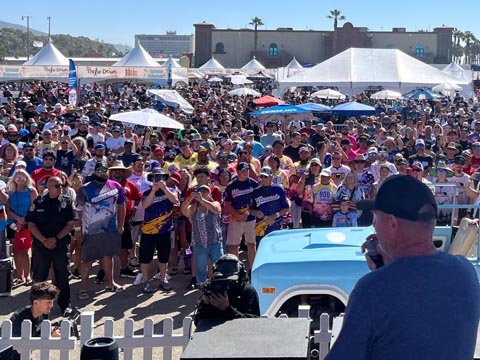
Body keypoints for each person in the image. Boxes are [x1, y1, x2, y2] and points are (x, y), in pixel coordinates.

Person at [325, 175, 480, 360]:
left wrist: (385, 274)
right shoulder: (465, 272)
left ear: (391, 223)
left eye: (375, 217)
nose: (374, 224)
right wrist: (390, 267)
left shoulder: (371, 290)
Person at [76, 160, 126, 299]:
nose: (102, 173)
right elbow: (78, 210)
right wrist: (78, 229)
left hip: (110, 229)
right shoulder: (84, 189)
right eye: (100, 170)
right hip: (90, 231)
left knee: (108, 256)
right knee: (87, 260)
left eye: (105, 170)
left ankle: (111, 284)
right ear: (94, 171)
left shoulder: (116, 186)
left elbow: (122, 206)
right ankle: (83, 288)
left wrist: (121, 225)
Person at [26, 176, 75, 315]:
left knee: (62, 276)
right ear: (49, 187)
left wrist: (55, 239)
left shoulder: (67, 202)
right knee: (39, 277)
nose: (60, 188)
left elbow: (70, 223)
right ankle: (36, 307)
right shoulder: (39, 202)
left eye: (61, 185)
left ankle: (65, 305)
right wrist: (43, 240)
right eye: (56, 186)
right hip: (41, 246)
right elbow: (31, 223)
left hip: (59, 245)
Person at [194, 254, 260, 330]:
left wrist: (227, 309)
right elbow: (198, 323)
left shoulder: (247, 291)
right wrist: (206, 305)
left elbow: (254, 323)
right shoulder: (214, 290)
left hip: (241, 336)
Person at [140, 168, 179, 293]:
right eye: (156, 177)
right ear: (151, 179)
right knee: (145, 257)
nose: (158, 179)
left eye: (161, 177)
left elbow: (175, 201)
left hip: (165, 230)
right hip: (148, 231)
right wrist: (154, 191)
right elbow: (145, 205)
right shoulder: (147, 193)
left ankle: (163, 279)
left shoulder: (171, 190)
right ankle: (145, 281)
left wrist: (165, 189)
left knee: (163, 257)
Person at [181, 184, 224, 287]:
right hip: (199, 244)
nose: (202, 194)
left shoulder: (215, 203)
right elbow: (183, 211)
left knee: (220, 267)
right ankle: (202, 288)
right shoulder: (193, 207)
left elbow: (216, 209)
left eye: (205, 192)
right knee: (201, 270)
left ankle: (221, 288)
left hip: (215, 243)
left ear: (210, 195)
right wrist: (189, 199)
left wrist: (202, 200)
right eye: (200, 192)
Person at [10, 282, 61, 359]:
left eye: (52, 302)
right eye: (48, 302)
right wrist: (50, 338)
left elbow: (43, 334)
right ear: (36, 303)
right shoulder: (18, 318)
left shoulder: (44, 313)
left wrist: (54, 333)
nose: (52, 305)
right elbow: (20, 349)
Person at [6, 169, 39, 286]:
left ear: (26, 178)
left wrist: (24, 220)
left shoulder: (31, 191)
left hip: (27, 224)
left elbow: (35, 208)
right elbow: (8, 209)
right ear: (14, 178)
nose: (20, 178)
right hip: (13, 223)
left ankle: (27, 276)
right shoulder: (11, 192)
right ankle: (19, 276)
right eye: (17, 176)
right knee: (15, 250)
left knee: (25, 250)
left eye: (22, 176)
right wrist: (18, 219)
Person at [249, 166, 290, 247]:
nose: (263, 179)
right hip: (261, 226)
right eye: (261, 177)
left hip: (276, 225)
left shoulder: (279, 189)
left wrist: (275, 216)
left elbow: (286, 208)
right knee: (261, 248)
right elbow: (250, 210)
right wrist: (256, 212)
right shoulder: (255, 191)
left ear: (271, 177)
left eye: (266, 177)